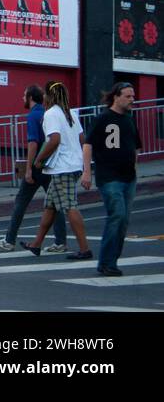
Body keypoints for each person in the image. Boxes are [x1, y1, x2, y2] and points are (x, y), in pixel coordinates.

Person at [21, 81, 94, 260]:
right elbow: (82, 138)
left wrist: (39, 159)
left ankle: (85, 249)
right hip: (72, 165)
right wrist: (84, 167)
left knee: (69, 206)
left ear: (48, 96)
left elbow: (54, 140)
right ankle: (37, 244)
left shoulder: (51, 113)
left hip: (63, 168)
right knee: (50, 205)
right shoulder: (71, 113)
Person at [0, 85, 67, 252]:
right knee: (56, 204)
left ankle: (9, 240)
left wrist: (28, 168)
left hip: (38, 166)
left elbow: (33, 143)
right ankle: (60, 241)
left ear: (30, 98)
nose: (22, 98)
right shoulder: (48, 114)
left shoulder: (33, 116)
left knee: (21, 202)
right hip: (52, 165)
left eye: (24, 95)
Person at [85, 82, 139, 277]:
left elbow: (135, 146)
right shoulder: (102, 118)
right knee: (116, 214)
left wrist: (135, 166)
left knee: (123, 220)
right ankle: (106, 262)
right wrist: (86, 172)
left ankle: (112, 261)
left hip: (128, 177)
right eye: (128, 96)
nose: (132, 99)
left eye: (133, 96)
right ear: (116, 96)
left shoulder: (129, 119)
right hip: (109, 176)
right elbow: (88, 144)